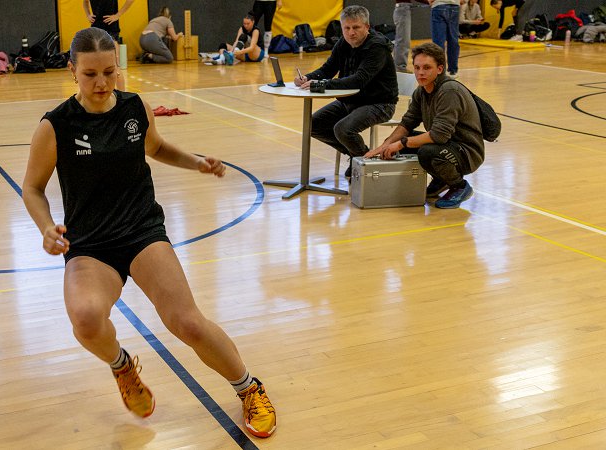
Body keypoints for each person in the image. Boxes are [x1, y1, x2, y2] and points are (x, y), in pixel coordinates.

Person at [21, 27, 277, 439]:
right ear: (72, 71)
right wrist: (46, 228)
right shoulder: (56, 126)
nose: (102, 83)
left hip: (141, 230)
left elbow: (155, 147)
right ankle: (122, 366)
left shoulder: (134, 106)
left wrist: (196, 162)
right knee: (86, 319)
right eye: (90, 74)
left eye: (109, 72)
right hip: (90, 243)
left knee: (188, 323)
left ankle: (250, 388)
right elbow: (32, 188)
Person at [364, 42, 484, 209]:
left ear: (440, 69)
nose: (420, 73)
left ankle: (459, 186)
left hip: (467, 152)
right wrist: (386, 145)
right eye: (417, 67)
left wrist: (400, 143)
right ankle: (441, 179)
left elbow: (439, 136)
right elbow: (407, 122)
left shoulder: (449, 91)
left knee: (427, 151)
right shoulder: (421, 91)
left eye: (427, 68)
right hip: (447, 145)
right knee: (403, 142)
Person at [294, 5, 398, 178]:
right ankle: (359, 155)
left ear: (367, 26)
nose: (351, 33)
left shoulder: (377, 47)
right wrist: (307, 78)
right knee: (312, 125)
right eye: (346, 28)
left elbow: (359, 80)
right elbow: (327, 69)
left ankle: (362, 160)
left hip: (379, 103)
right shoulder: (343, 43)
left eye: (356, 27)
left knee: (343, 129)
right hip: (350, 100)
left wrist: (320, 85)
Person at [393, 0, 429, 73]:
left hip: (403, 8)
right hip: (403, 9)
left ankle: (399, 67)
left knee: (402, 41)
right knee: (403, 41)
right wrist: (427, 1)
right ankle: (400, 68)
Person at [429, 0, 460, 79]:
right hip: (455, 5)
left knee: (438, 42)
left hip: (439, 4)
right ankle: (453, 71)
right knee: (453, 39)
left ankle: (440, 71)